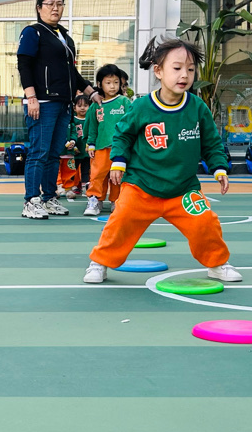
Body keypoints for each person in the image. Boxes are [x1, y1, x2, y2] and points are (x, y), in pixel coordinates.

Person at [83, 37, 242, 284]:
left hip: (183, 189)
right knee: (120, 222)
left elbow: (211, 143)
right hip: (141, 187)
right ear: (158, 71)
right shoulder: (142, 106)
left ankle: (217, 263)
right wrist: (118, 161)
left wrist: (219, 168)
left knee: (205, 223)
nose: (184, 75)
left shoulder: (197, 107)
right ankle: (100, 263)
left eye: (190, 69)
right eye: (177, 68)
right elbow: (123, 134)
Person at [17, 0, 97, 220]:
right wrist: (31, 97)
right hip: (42, 102)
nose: (55, 8)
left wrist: (92, 93)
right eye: (50, 3)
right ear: (39, 7)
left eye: (60, 3)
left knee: (54, 154)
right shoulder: (33, 32)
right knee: (39, 152)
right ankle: (31, 201)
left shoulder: (65, 37)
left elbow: (73, 73)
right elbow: (24, 65)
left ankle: (49, 198)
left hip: (64, 103)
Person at [83, 64, 131, 216]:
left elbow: (131, 124)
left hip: (119, 148)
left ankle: (116, 201)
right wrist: (91, 144)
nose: (112, 86)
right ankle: (95, 199)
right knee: (97, 175)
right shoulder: (96, 106)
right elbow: (92, 127)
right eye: (108, 83)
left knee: (117, 176)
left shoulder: (124, 102)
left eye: (116, 82)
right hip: (101, 147)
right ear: (99, 84)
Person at [58, 93, 90, 199]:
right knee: (70, 169)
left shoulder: (90, 120)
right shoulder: (72, 121)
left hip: (86, 150)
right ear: (74, 108)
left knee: (86, 170)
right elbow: (72, 133)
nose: (82, 108)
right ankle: (67, 187)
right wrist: (73, 145)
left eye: (85, 105)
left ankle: (85, 187)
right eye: (79, 106)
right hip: (72, 151)